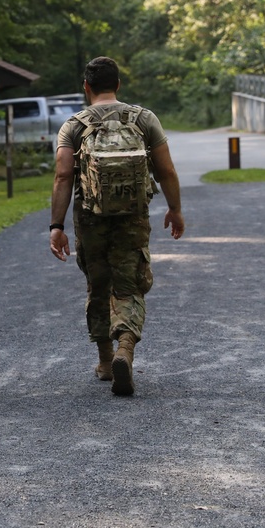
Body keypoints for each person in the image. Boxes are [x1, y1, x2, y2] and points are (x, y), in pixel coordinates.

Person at [49, 56, 184, 396]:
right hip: (132, 217)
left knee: (99, 282)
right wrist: (175, 209)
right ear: (118, 85)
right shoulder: (143, 119)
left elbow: (63, 175)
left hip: (90, 218)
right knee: (130, 282)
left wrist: (56, 225)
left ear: (86, 88)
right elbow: (165, 170)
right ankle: (126, 346)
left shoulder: (74, 125)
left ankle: (107, 361)